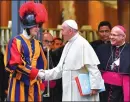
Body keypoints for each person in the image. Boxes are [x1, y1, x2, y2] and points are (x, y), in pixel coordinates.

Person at [38, 19, 105, 101]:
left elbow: (93, 67)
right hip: (69, 90)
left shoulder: (83, 44)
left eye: (63, 30)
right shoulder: (67, 45)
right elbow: (60, 69)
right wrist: (42, 74)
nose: (61, 33)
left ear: (70, 31)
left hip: (81, 92)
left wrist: (95, 87)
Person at [4, 2, 48, 101]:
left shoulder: (38, 43)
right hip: (19, 85)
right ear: (27, 27)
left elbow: (41, 64)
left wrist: (41, 81)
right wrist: (36, 73)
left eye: (38, 26)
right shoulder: (15, 41)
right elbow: (15, 64)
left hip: (35, 87)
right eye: (35, 26)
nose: (38, 29)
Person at [96, 25, 130, 102]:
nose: (111, 37)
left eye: (114, 35)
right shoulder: (102, 48)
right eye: (111, 34)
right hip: (104, 88)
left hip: (122, 90)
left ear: (123, 37)